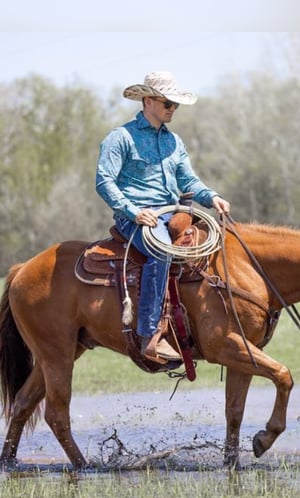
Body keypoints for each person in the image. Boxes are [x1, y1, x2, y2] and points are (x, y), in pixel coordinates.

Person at [96, 71, 231, 364]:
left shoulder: (174, 143)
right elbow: (104, 181)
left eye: (175, 105)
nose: (172, 109)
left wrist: (213, 197)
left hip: (171, 213)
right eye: (167, 103)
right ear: (148, 101)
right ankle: (150, 335)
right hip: (136, 217)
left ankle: (194, 328)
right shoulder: (121, 138)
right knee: (160, 251)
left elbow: (189, 182)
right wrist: (133, 211)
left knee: (210, 247)